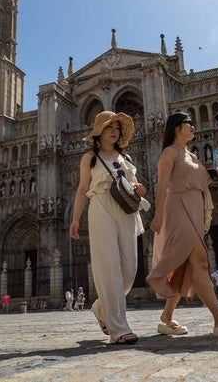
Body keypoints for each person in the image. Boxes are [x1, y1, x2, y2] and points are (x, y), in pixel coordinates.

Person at [148, 112, 218, 337]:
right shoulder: (169, 152)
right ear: (177, 127)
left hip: (194, 209)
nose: (193, 127)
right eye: (189, 124)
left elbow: (200, 182)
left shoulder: (191, 155)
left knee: (185, 266)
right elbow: (162, 185)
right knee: (200, 260)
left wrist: (216, 171)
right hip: (177, 209)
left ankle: (166, 317)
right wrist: (158, 216)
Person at [69, 110, 147, 344]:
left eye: (117, 128)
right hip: (101, 208)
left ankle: (101, 307)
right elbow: (83, 189)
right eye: (109, 127)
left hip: (126, 211)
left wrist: (139, 188)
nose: (114, 131)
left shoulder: (127, 158)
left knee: (129, 270)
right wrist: (75, 220)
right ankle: (118, 328)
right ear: (99, 131)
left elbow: (133, 185)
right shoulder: (89, 158)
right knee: (109, 266)